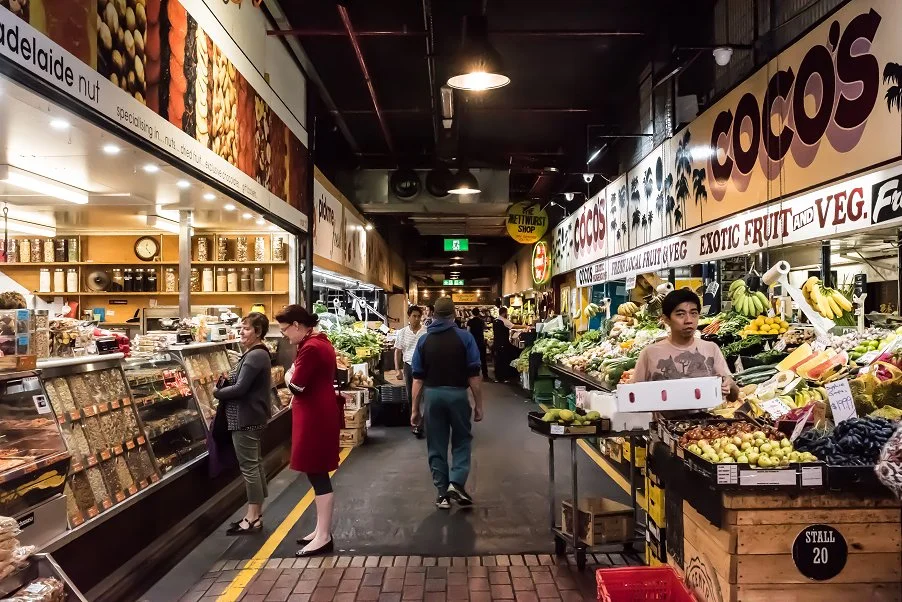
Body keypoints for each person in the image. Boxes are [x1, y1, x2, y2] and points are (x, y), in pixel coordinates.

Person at [276, 305, 342, 557]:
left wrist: (288, 375)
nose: (284, 335)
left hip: (314, 415)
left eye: (284, 330)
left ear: (296, 325)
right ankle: (320, 529)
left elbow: (297, 386)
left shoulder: (311, 347)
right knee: (317, 472)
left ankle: (324, 535)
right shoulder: (320, 341)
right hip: (319, 411)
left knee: (317, 473)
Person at [410, 297, 484, 509]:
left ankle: (442, 494)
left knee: (436, 443)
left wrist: (415, 409)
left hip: (432, 396)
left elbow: (417, 378)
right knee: (462, 439)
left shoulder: (424, 340)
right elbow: (474, 374)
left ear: (433, 315)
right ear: (453, 315)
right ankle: (457, 482)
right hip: (458, 395)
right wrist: (478, 404)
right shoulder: (465, 338)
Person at [213, 312, 273, 535]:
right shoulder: (255, 353)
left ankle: (252, 517)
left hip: (246, 418)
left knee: (249, 467)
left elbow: (240, 389)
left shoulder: (256, 355)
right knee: (254, 465)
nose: (242, 332)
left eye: (247, 329)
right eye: (242, 328)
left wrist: (217, 392)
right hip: (251, 416)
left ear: (258, 332)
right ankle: (255, 514)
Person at [631, 288, 739, 401]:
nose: (689, 320)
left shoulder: (711, 349)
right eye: (680, 314)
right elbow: (634, 397)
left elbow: (733, 397)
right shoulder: (649, 353)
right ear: (666, 319)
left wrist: (730, 384)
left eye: (693, 313)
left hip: (707, 418)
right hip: (664, 419)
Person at [394, 305, 427, 437]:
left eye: (419, 316)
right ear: (409, 316)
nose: (417, 319)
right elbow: (397, 351)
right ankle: (414, 422)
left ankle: (421, 424)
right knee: (410, 396)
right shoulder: (402, 332)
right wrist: (398, 369)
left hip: (423, 367)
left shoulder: (425, 332)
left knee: (423, 395)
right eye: (414, 316)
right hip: (408, 365)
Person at [492, 306, 525, 382]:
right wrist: (525, 326)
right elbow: (513, 326)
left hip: (497, 343)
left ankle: (498, 377)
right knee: (504, 360)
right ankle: (504, 377)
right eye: (506, 313)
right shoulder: (504, 320)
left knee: (498, 360)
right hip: (503, 344)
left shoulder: (496, 320)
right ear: (504, 313)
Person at [467, 308, 489, 379]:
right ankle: (485, 375)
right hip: (481, 341)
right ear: (478, 313)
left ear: (472, 313)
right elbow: (485, 328)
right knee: (483, 359)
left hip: (473, 343)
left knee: (472, 359)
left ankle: (472, 375)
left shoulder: (470, 321)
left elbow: (468, 331)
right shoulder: (482, 321)